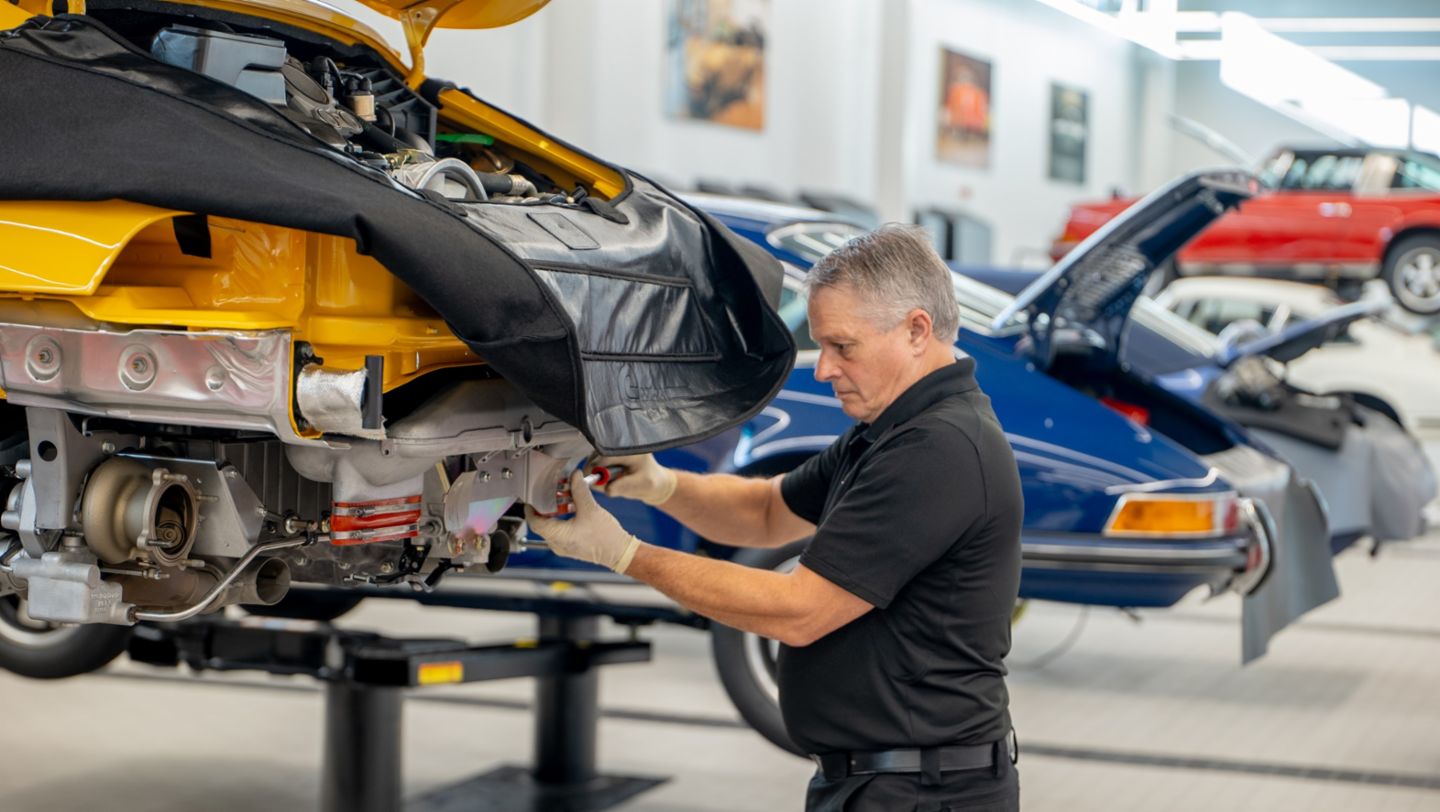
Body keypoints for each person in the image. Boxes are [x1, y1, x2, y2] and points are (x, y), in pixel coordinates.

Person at [526, 224, 1023, 811]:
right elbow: (767, 512)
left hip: (922, 791)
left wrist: (623, 554)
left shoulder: (937, 448)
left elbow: (800, 611)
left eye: (843, 347)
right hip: (885, 781)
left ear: (917, 330)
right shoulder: (891, 430)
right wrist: (661, 485)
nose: (824, 368)